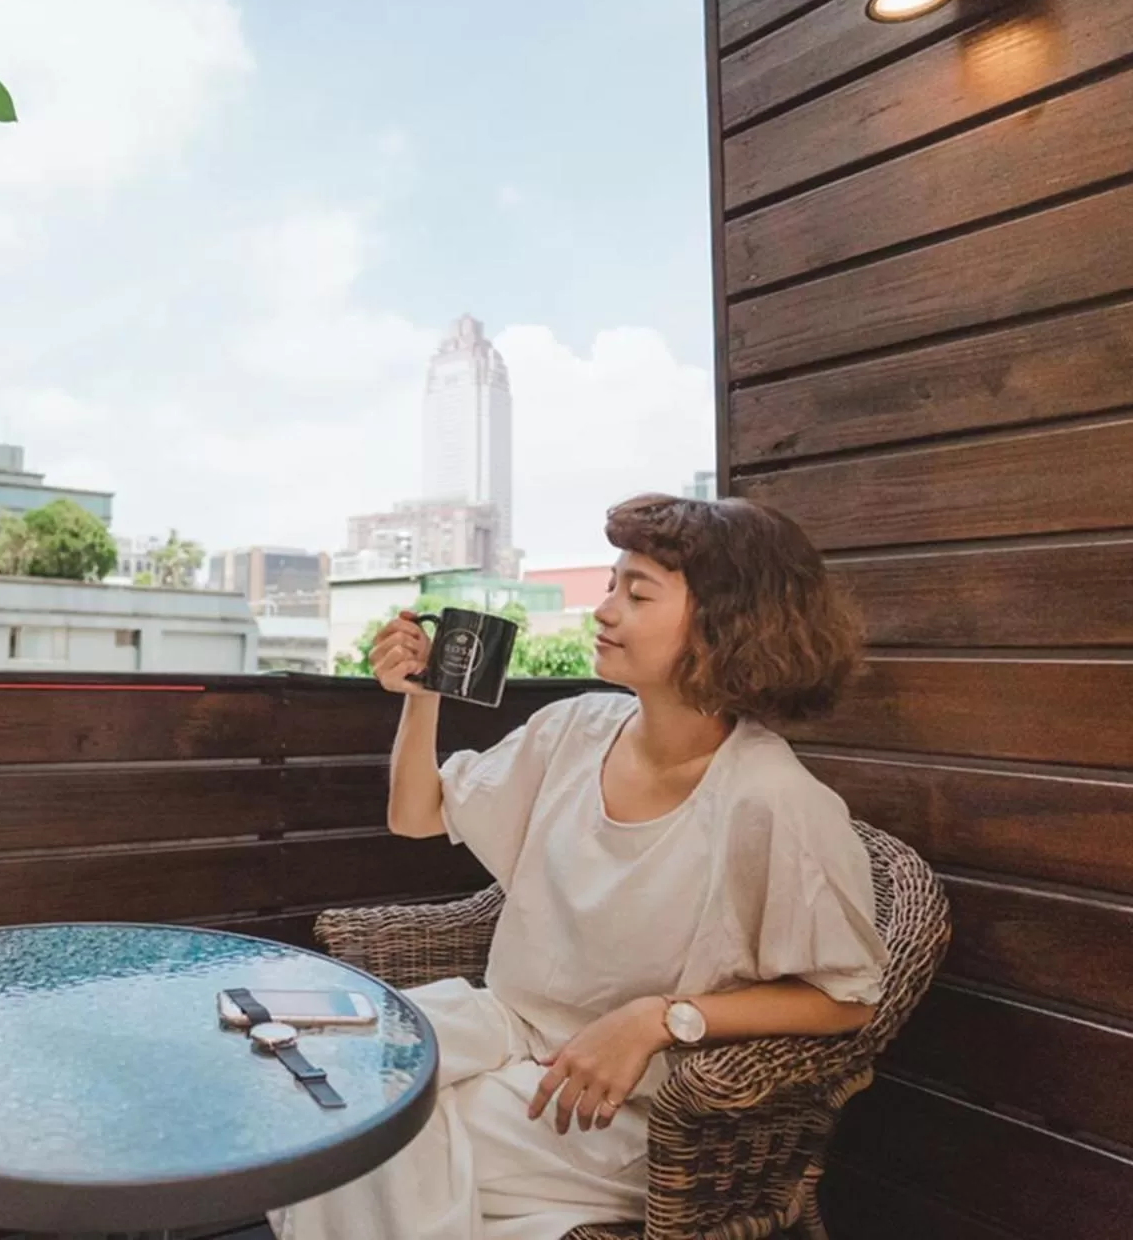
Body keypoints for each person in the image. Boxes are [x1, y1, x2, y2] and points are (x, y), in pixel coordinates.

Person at [271, 494, 889, 1240]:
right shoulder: (576, 729)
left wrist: (660, 1019)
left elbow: (847, 1000)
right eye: (610, 585)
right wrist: (421, 697)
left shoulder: (773, 802)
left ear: (727, 622)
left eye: (637, 593)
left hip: (614, 1109)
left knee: (372, 1135)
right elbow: (417, 814)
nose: (603, 611)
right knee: (306, 1072)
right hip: (503, 1030)